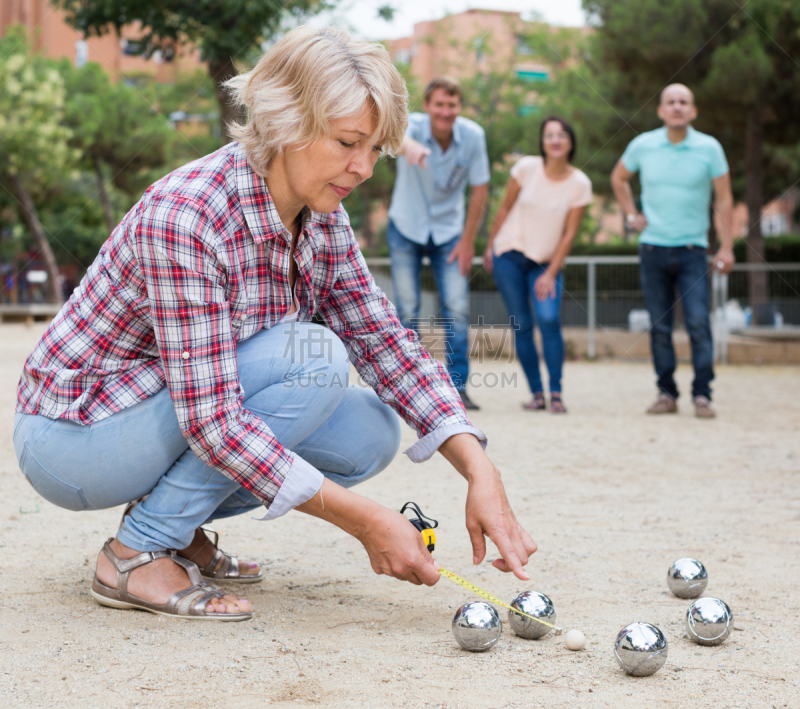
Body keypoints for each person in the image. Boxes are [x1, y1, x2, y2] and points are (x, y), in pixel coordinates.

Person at [13, 27, 536, 622]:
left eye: (376, 149)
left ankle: (178, 530)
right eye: (348, 142)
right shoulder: (187, 215)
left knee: (368, 431)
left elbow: (387, 344)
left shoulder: (323, 218)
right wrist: (365, 521)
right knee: (311, 356)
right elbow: (212, 420)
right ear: (287, 121)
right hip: (73, 437)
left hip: (170, 414)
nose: (364, 168)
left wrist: (478, 466)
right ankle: (135, 553)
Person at [611, 83, 734, 419]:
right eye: (671, 102)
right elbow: (618, 178)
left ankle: (702, 395)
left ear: (693, 111)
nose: (677, 106)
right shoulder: (643, 145)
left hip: (694, 250)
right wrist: (631, 214)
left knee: (698, 323)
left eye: (684, 102)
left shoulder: (710, 148)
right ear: (661, 111)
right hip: (653, 249)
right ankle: (666, 393)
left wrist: (727, 245)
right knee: (660, 326)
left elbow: (724, 200)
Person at [387, 76, 490, 410]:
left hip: (449, 233)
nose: (446, 111)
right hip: (406, 226)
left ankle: (458, 387)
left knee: (457, 309)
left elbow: (480, 189)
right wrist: (410, 147)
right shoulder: (411, 127)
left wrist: (468, 240)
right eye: (439, 104)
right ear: (428, 106)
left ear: (459, 107)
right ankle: (410, 385)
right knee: (408, 306)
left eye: (452, 104)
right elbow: (387, 137)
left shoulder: (473, 136)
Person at [484, 117, 592, 414]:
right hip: (509, 255)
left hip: (545, 263)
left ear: (570, 142)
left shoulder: (580, 184)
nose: (555, 140)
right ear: (542, 142)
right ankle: (537, 394)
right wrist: (490, 246)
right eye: (549, 135)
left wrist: (551, 272)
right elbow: (504, 208)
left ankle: (556, 393)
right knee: (522, 325)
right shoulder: (526, 168)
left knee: (549, 319)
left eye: (561, 135)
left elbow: (570, 233)